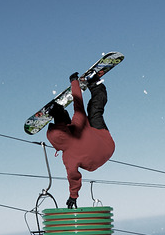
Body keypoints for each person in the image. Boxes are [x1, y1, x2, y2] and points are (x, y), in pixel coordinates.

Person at [46, 72, 115, 208]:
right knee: (95, 110)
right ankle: (96, 84)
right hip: (105, 142)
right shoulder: (78, 123)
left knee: (91, 113)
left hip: (95, 160)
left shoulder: (68, 158)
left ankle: (58, 112)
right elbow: (78, 102)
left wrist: (73, 196)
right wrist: (74, 82)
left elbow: (73, 177)